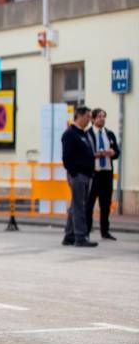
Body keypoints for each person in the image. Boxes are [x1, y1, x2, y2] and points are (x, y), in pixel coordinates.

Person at [61, 106, 98, 247]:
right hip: (78, 175)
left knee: (75, 206)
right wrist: (74, 172)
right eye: (88, 116)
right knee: (79, 206)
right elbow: (66, 157)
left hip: (86, 174)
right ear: (80, 116)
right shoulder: (70, 134)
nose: (90, 120)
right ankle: (80, 237)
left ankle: (69, 236)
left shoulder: (82, 133)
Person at [86, 108, 120, 241]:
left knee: (105, 205)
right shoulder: (88, 134)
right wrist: (97, 154)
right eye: (99, 117)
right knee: (89, 204)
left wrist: (113, 153)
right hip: (94, 173)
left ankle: (105, 231)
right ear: (93, 119)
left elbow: (117, 151)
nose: (102, 119)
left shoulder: (109, 134)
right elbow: (86, 153)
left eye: (103, 116)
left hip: (106, 173)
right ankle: (87, 230)